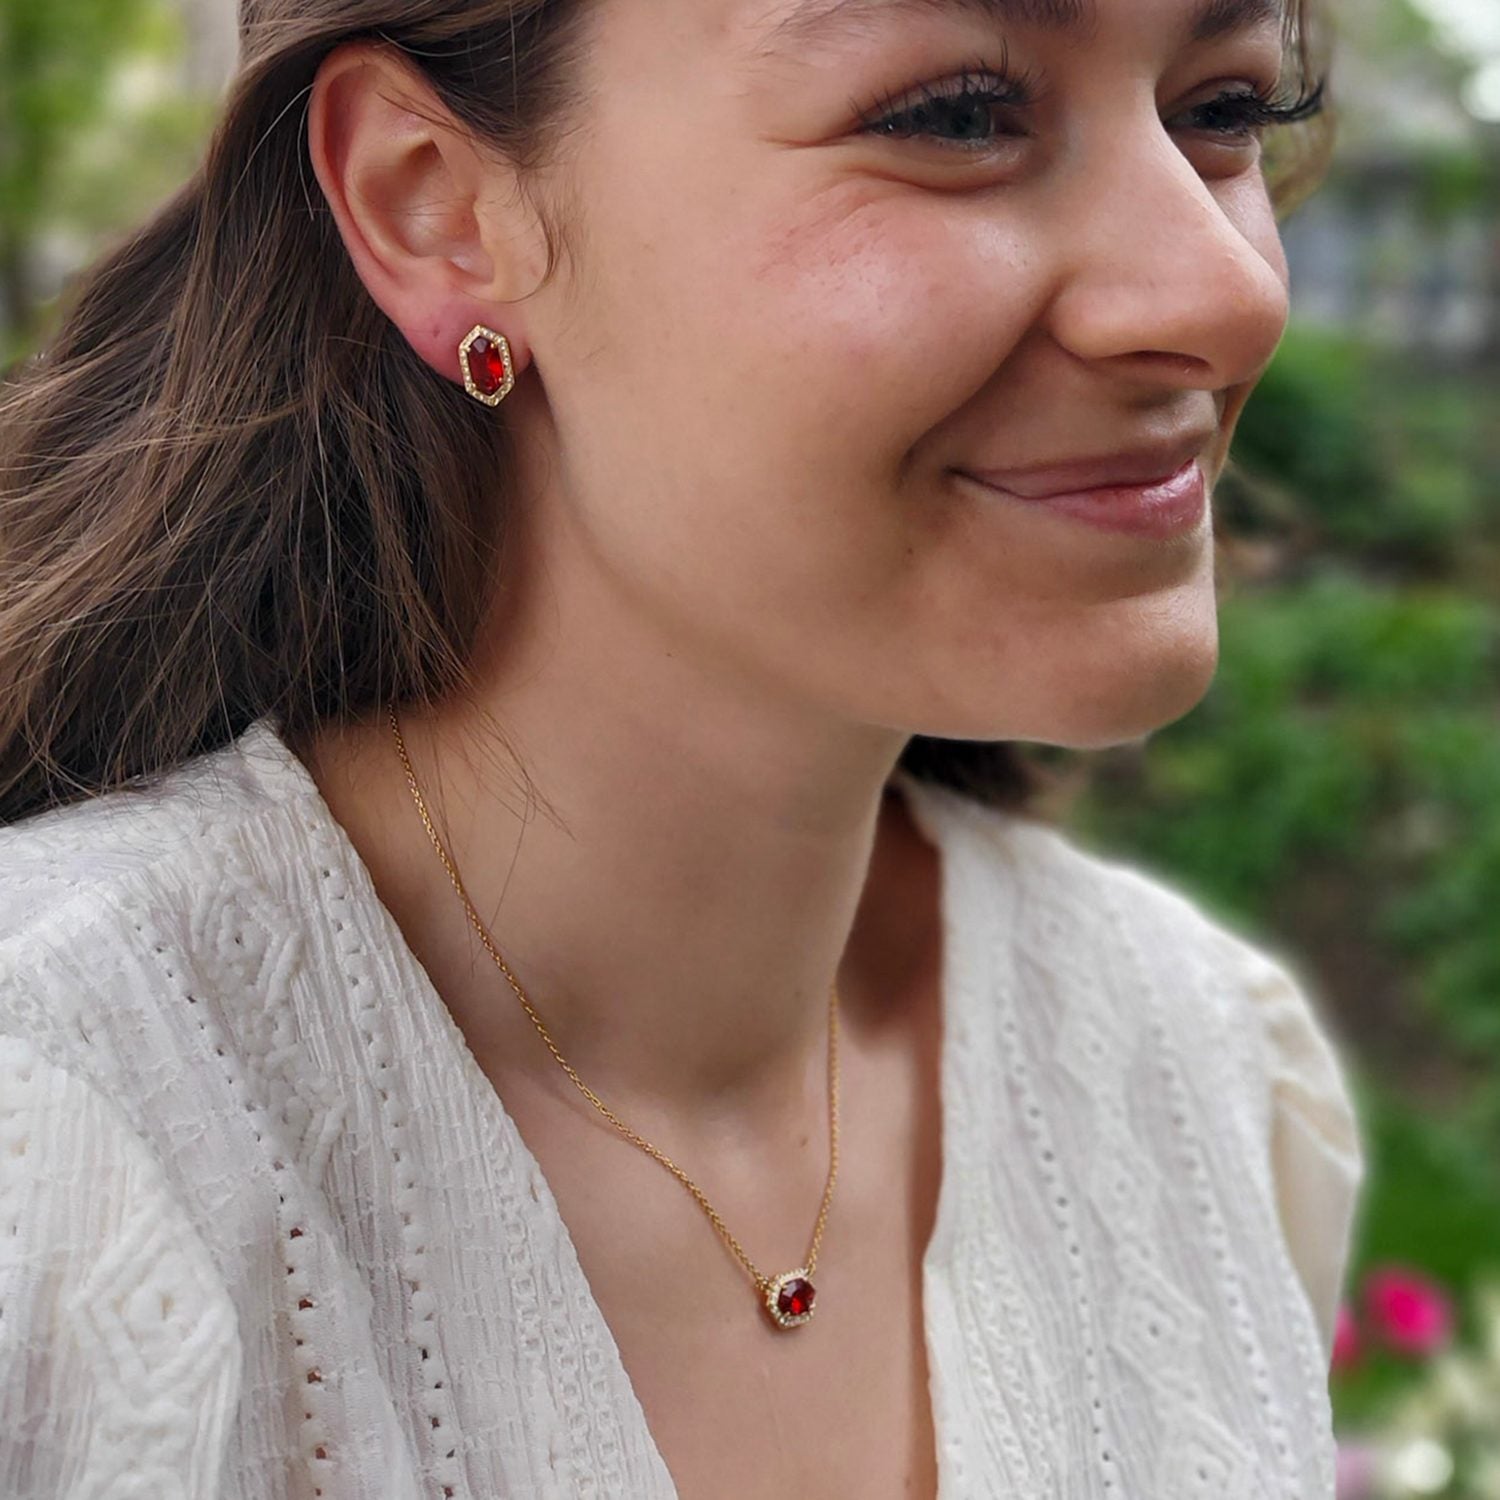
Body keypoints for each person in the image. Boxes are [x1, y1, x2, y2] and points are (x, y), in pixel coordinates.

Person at [0, 0, 1366, 1495]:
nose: (1223, 292)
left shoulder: (1192, 1072)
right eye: (957, 115)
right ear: (433, 203)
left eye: (1227, 107)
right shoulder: (65, 1148)